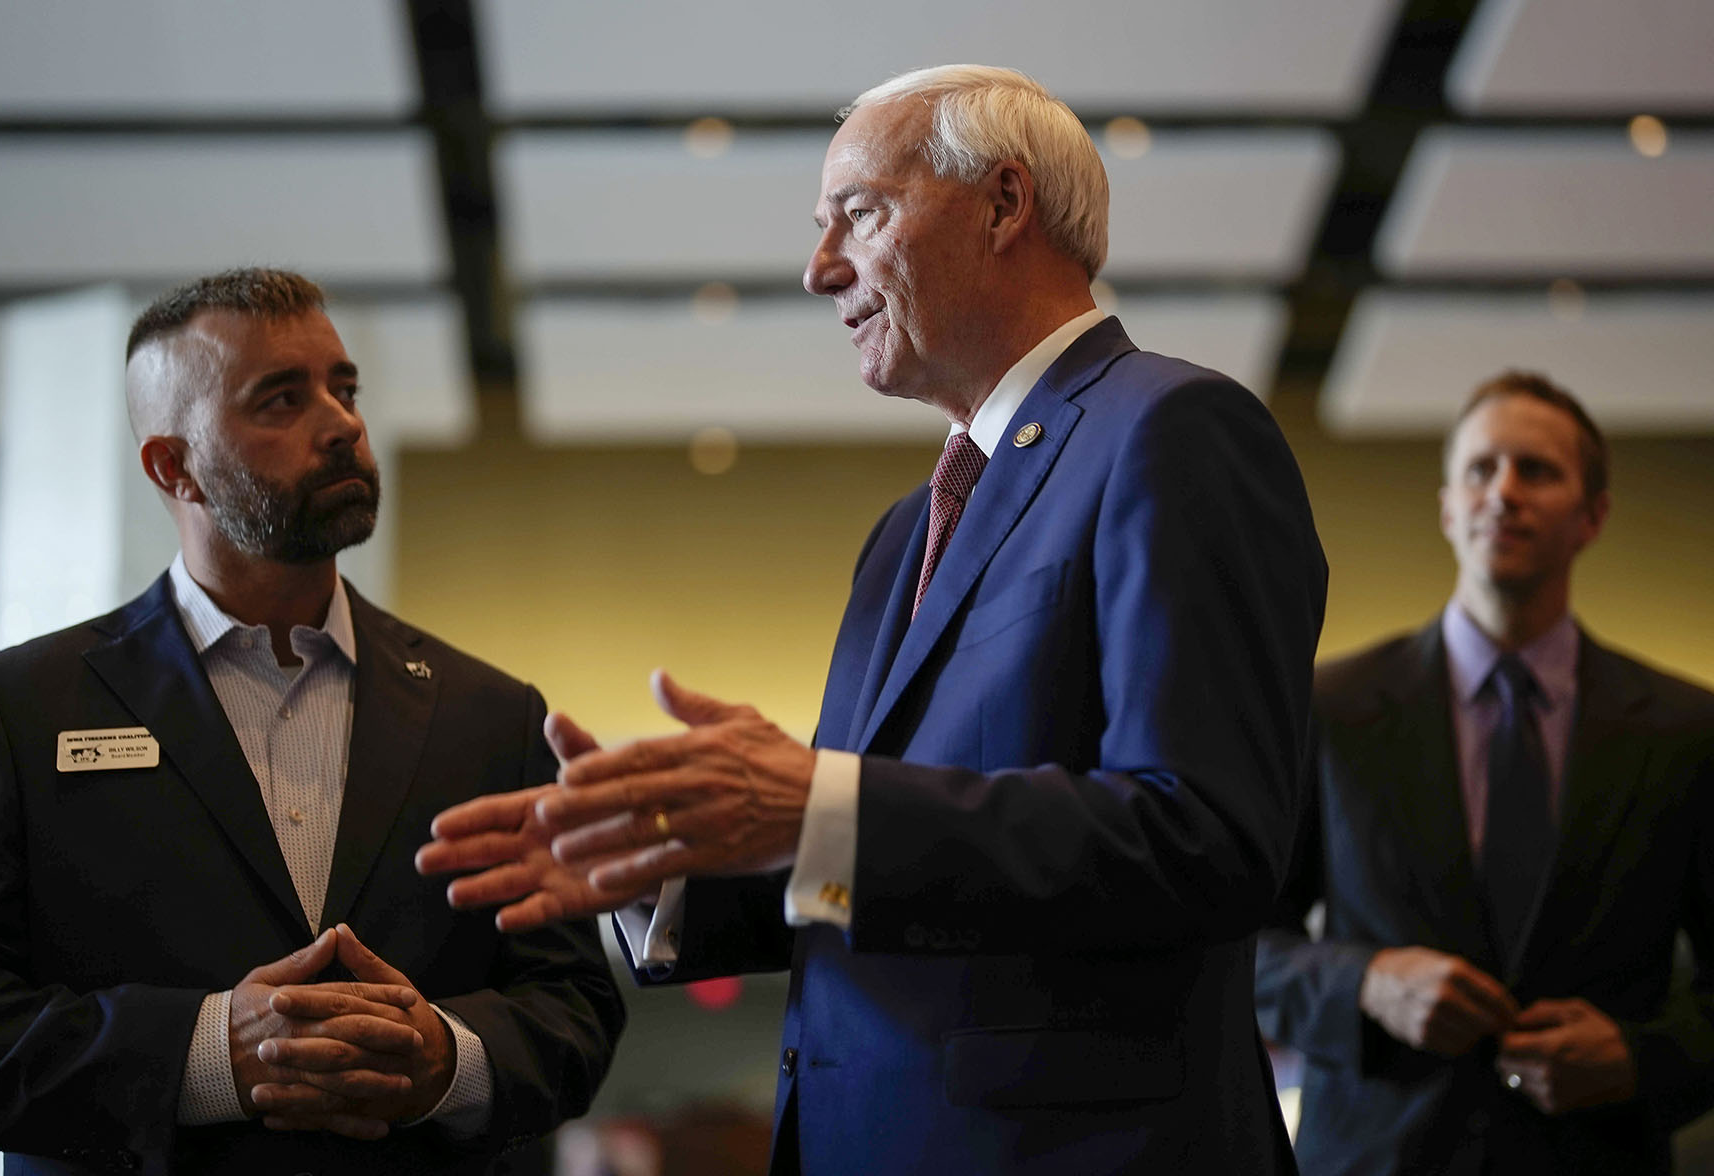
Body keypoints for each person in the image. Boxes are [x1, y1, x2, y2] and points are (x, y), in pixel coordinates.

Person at [418, 65, 1327, 1174]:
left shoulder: (1174, 431)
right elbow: (884, 870)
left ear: (1003, 204)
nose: (818, 269)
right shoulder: (905, 532)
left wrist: (824, 807)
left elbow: (1206, 839)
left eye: (860, 212)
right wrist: (674, 862)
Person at [0, 269, 625, 1175]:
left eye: (345, 388)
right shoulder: (16, 711)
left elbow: (572, 1009)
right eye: (281, 401)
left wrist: (449, 1059)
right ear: (175, 467)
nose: (343, 424)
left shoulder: (491, 715)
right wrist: (209, 1055)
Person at [1255, 371, 1714, 1174]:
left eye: (1536, 471)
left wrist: (1643, 1057)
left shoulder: (1687, 728)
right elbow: (1236, 941)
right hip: (1378, 1157)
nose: (1504, 492)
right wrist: (1364, 985)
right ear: (1447, 507)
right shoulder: (1329, 704)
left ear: (1593, 515)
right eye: (1480, 469)